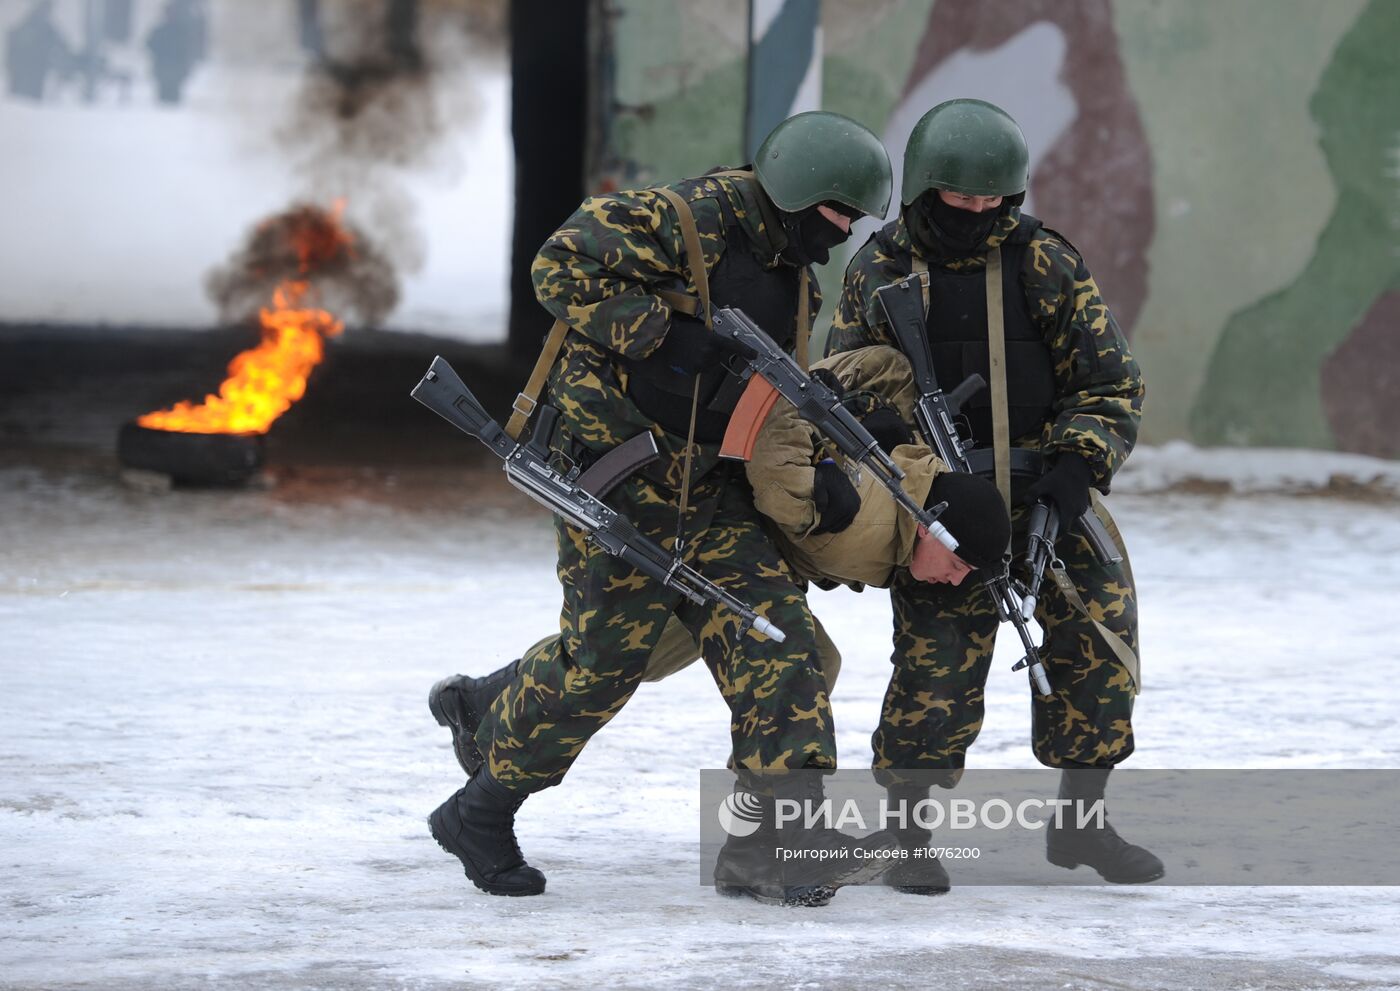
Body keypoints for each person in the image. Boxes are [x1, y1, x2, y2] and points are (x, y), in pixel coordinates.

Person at [427, 112, 896, 900]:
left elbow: (763, 399)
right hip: (611, 479)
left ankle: (769, 848)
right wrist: (660, 333)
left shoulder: (793, 277)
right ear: (795, 195)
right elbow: (559, 265)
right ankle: (477, 811)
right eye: (837, 214)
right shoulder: (680, 221)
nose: (844, 232)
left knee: (780, 647)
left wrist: (822, 457)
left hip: (708, 494)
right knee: (603, 665)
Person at [433, 344, 1014, 905]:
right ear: (934, 526)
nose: (954, 580)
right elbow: (774, 421)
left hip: (735, 548)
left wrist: (853, 403)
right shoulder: (863, 513)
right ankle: (489, 751)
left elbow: (888, 366)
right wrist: (815, 466)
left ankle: (755, 841)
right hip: (692, 525)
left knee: (747, 660)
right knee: (616, 663)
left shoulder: (912, 486)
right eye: (957, 563)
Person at [825, 98, 1161, 889]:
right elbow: (847, 390)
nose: (978, 216)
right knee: (935, 666)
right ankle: (908, 833)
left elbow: (1110, 380)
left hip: (1051, 489)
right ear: (923, 189)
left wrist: (1080, 461)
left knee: (1101, 647)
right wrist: (910, 483)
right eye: (959, 201)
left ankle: (1084, 825)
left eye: (993, 202)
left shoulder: (1043, 261)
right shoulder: (879, 270)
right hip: (941, 501)